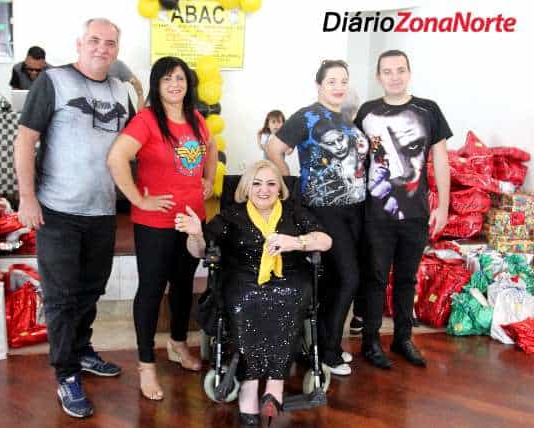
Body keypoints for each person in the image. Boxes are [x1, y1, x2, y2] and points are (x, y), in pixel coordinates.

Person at [14, 18, 134, 418]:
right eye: (94, 40)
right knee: (62, 297)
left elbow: (135, 145)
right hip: (57, 211)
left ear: (117, 50)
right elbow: (25, 140)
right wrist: (27, 198)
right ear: (80, 43)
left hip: (102, 211)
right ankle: (66, 372)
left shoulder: (121, 90)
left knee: (91, 289)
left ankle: (81, 350)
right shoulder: (54, 81)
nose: (102, 48)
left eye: (110, 43)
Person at [179, 160, 332, 427]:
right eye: (257, 183)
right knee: (246, 301)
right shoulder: (232, 215)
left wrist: (296, 242)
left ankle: (274, 385)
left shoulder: (293, 212)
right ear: (247, 188)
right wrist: (195, 235)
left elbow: (325, 240)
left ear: (279, 189)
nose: (264, 189)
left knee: (288, 298)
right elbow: (202, 251)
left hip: (289, 277)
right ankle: (249, 387)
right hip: (243, 278)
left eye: (271, 183)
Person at [106, 56, 217, 401]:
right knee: (152, 290)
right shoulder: (147, 120)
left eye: (180, 78)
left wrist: (209, 179)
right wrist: (138, 198)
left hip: (192, 219)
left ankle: (178, 344)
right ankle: (146, 364)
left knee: (183, 286)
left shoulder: (196, 117)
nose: (174, 84)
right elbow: (116, 157)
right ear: (156, 84)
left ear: (188, 83)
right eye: (167, 78)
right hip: (155, 223)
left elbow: (210, 147)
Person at [267, 60, 369, 376]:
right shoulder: (307, 116)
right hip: (324, 209)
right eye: (331, 81)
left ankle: (326, 344)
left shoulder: (347, 119)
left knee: (335, 280)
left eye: (343, 81)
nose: (338, 87)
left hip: (355, 209)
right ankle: (328, 354)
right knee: (348, 277)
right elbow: (274, 148)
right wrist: (288, 183)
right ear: (319, 85)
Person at [354, 49, 451, 369]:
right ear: (378, 76)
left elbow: (440, 159)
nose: (394, 77)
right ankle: (370, 342)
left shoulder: (429, 110)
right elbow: (357, 159)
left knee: (407, 279)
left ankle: (402, 338)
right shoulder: (367, 112)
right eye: (387, 71)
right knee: (375, 279)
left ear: (409, 72)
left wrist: (443, 206)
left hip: (416, 212)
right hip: (376, 213)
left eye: (400, 70)